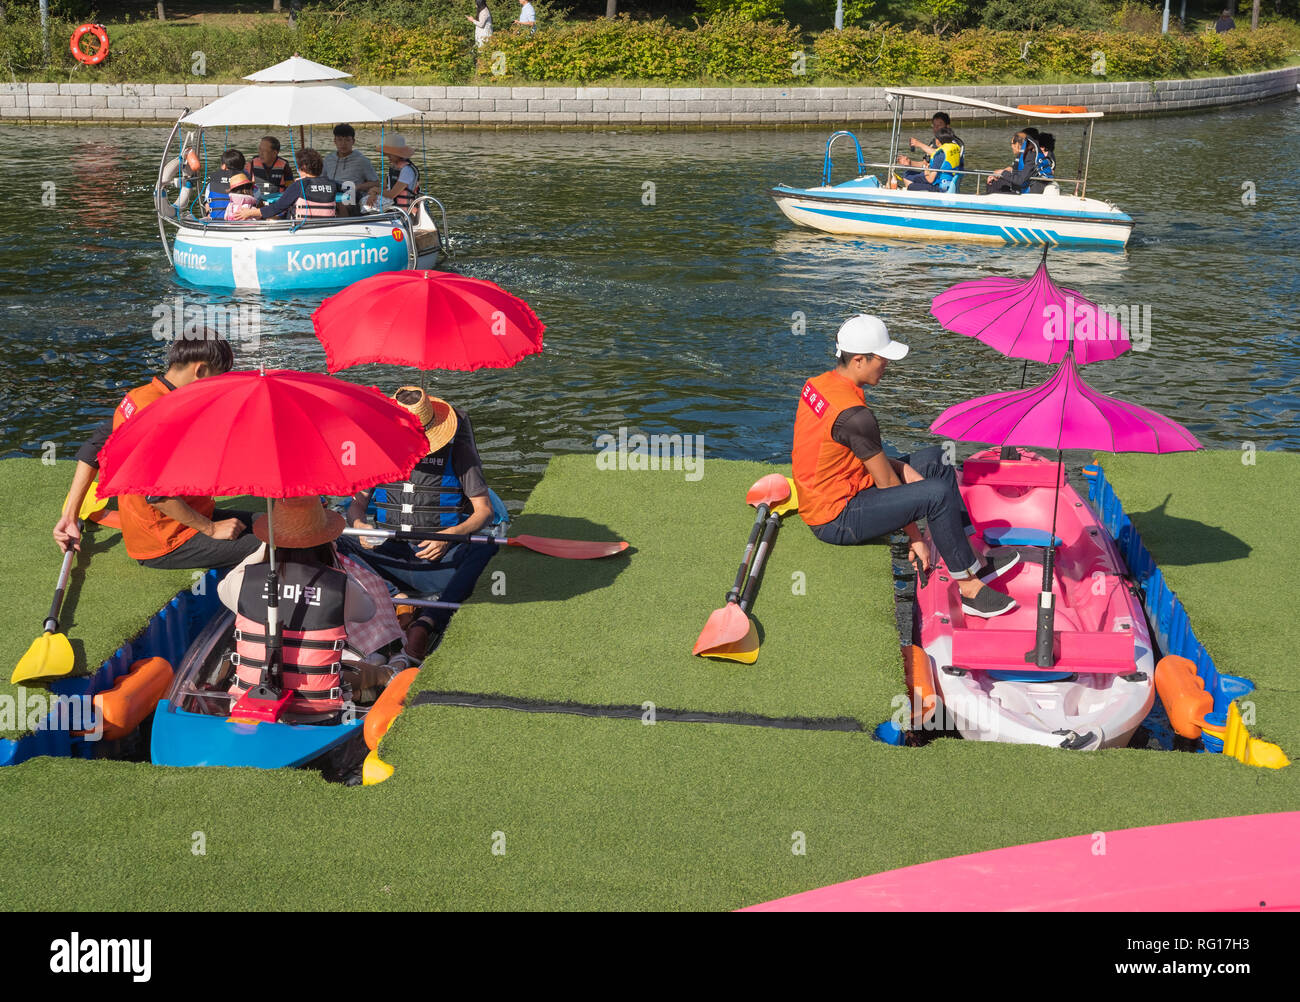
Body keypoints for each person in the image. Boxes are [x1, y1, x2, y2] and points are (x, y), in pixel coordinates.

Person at [791, 315, 1020, 619]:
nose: (886, 365)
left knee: (937, 460)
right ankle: (970, 590)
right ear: (859, 360)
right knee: (935, 493)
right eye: (881, 359)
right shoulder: (856, 416)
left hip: (844, 485)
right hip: (835, 517)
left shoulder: (819, 384)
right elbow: (885, 483)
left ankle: (970, 558)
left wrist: (901, 468)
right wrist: (916, 538)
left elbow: (855, 452)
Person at [53, 335, 262, 571]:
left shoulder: (137, 397)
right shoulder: (164, 416)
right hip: (168, 541)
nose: (219, 388)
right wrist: (211, 529)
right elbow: (157, 496)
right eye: (219, 379)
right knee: (281, 546)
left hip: (189, 514)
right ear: (201, 370)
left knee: (276, 527)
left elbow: (93, 449)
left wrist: (70, 516)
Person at [338, 389, 497, 667]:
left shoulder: (458, 449)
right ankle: (399, 600)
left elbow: (484, 510)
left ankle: (426, 622)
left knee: (485, 550)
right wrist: (360, 525)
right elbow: (356, 506)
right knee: (333, 541)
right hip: (389, 557)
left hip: (438, 561)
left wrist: (449, 536)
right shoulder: (377, 450)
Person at [218, 497, 389, 715]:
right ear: (324, 540)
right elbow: (368, 610)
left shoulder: (243, 582)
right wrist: (336, 563)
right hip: (319, 712)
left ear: (271, 539)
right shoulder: (339, 585)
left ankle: (370, 686)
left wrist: (264, 548)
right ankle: (387, 675)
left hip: (248, 702)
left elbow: (223, 587)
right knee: (364, 665)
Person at [234, 148, 339, 221]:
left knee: (270, 219)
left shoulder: (299, 185)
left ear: (302, 167)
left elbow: (277, 208)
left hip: (301, 227)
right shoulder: (332, 184)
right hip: (325, 226)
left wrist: (249, 213)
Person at [322, 123, 380, 216]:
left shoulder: (362, 161)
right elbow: (321, 179)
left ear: (353, 141)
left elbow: (376, 183)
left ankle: (343, 227)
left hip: (353, 195)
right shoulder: (328, 159)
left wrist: (357, 187)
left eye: (347, 140)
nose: (343, 143)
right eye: (340, 140)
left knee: (341, 202)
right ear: (335, 141)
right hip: (331, 193)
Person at [891, 127, 962, 192]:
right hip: (950, 182)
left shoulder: (940, 155)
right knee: (909, 175)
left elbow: (930, 180)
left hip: (940, 187)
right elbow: (935, 154)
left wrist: (926, 170)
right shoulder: (955, 148)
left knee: (911, 186)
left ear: (938, 141)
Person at [365, 136, 420, 212]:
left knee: (365, 206)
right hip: (392, 206)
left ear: (399, 154)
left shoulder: (407, 170)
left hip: (402, 211)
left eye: (390, 154)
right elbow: (383, 186)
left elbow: (392, 194)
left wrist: (375, 190)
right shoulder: (394, 167)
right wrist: (373, 193)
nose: (388, 157)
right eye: (387, 154)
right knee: (364, 201)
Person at [985, 129, 1041, 195]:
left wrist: (1003, 172)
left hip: (1025, 190)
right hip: (1020, 184)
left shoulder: (1031, 156)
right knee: (994, 181)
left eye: (1012, 143)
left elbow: (1020, 180)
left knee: (994, 184)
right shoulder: (1023, 155)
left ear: (1017, 144)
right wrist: (996, 174)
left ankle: (992, 202)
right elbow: (1015, 169)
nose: (1011, 146)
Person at [204, 149, 245, 220]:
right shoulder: (247, 183)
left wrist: (208, 214)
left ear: (224, 166)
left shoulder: (212, 183)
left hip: (216, 223)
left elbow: (207, 203)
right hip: (240, 223)